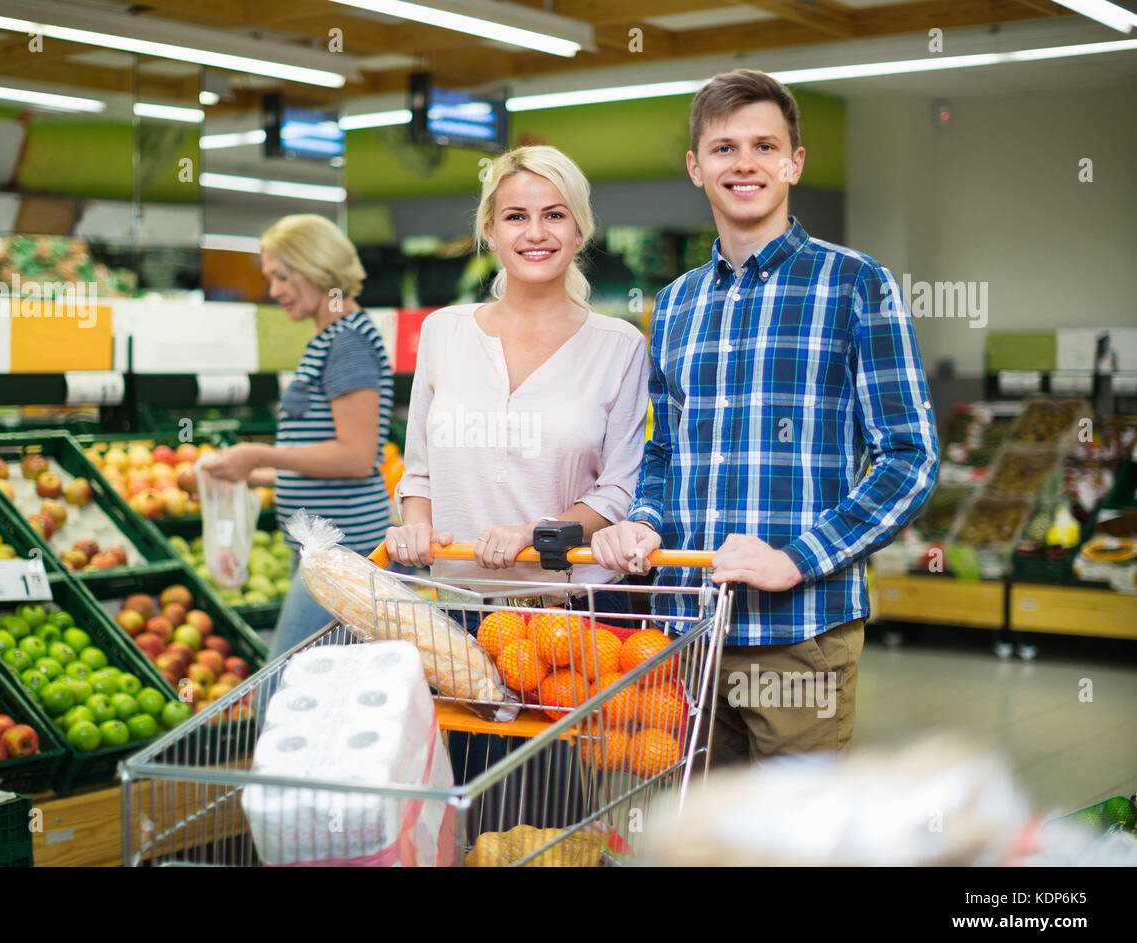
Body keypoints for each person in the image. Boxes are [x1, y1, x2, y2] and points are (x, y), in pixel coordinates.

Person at [592, 70, 939, 766]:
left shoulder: (855, 283)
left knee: (790, 838)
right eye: (723, 148)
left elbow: (910, 457)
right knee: (704, 836)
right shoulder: (677, 304)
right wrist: (645, 521)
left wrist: (795, 560)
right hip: (688, 629)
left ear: (795, 162)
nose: (744, 163)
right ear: (696, 167)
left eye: (764, 145)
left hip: (801, 634)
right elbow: (666, 452)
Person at [387, 144, 649, 622]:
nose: (535, 233)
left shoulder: (620, 346)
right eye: (514, 217)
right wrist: (415, 529)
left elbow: (618, 492)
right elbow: (419, 473)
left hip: (573, 608)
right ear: (490, 231)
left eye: (554, 215)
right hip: (459, 605)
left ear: (579, 230)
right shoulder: (443, 331)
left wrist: (532, 533)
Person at [203, 213, 393, 658]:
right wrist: (255, 476)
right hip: (322, 543)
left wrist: (258, 454)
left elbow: (357, 457)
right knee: (326, 685)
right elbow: (324, 453)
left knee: (283, 683)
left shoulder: (348, 341)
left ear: (316, 270)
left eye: (281, 277)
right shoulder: (330, 336)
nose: (273, 291)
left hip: (342, 548)